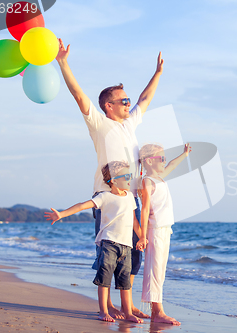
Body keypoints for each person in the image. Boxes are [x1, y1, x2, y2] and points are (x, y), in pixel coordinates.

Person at [55, 38, 163, 319]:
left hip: (131, 197)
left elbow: (145, 99)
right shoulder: (100, 125)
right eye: (123, 101)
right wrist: (63, 62)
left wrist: (158, 74)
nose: (129, 104)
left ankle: (125, 305)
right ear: (108, 106)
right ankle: (109, 305)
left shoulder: (130, 123)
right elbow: (79, 96)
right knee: (108, 254)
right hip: (106, 198)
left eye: (128, 100)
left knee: (132, 254)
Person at [45, 161, 146, 323]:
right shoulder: (104, 197)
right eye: (126, 176)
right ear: (113, 180)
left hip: (126, 246)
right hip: (109, 244)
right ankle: (103, 311)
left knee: (125, 281)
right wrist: (62, 215)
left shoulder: (130, 197)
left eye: (130, 175)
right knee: (104, 278)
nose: (130, 179)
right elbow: (81, 206)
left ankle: (127, 312)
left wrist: (141, 237)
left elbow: (134, 221)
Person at [136, 142, 192, 325]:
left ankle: (156, 310)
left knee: (160, 270)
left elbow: (172, 166)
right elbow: (144, 210)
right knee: (155, 269)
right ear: (150, 161)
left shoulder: (159, 178)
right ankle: (157, 311)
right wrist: (143, 236)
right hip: (155, 229)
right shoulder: (147, 181)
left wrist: (184, 155)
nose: (164, 162)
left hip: (165, 229)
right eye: (161, 159)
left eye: (164, 159)